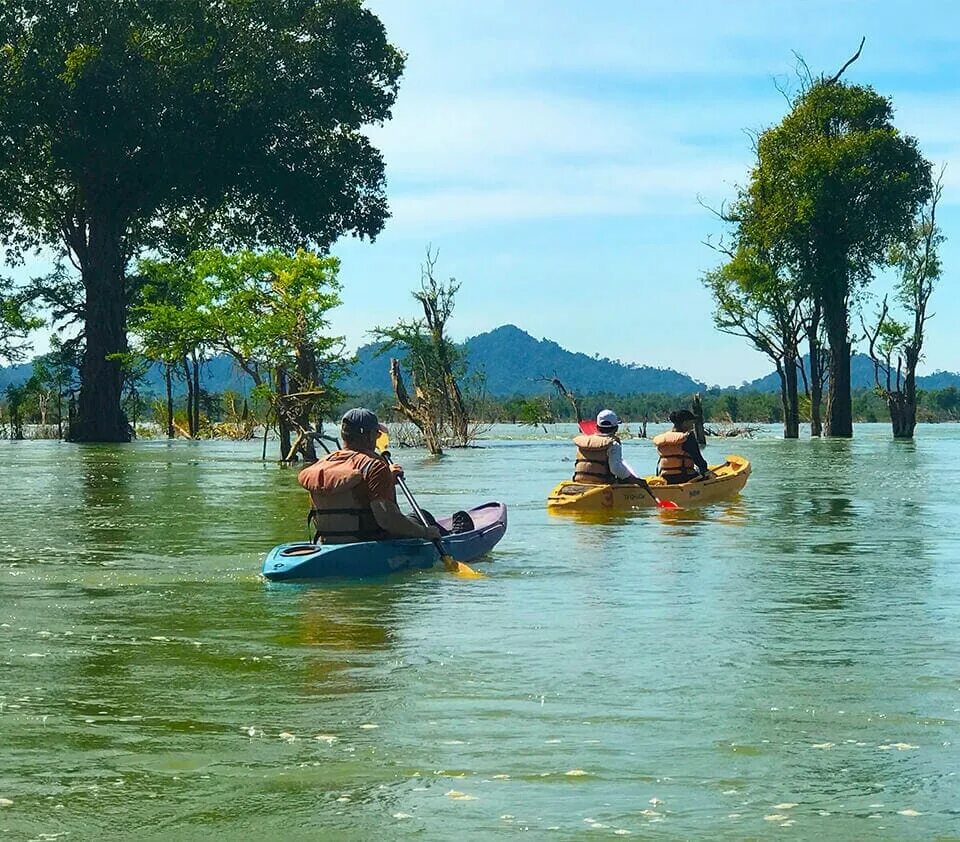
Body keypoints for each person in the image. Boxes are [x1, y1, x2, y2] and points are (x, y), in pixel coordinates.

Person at [297, 408, 442, 544]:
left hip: (328, 542)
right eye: (377, 433)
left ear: (343, 435)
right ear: (370, 435)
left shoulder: (322, 463)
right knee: (423, 516)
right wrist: (425, 532)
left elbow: (355, 491)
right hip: (367, 543)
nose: (378, 437)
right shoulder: (375, 466)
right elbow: (388, 520)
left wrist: (388, 479)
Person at [572, 409, 643, 484]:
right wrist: (635, 480)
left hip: (580, 482)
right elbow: (616, 469)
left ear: (597, 427)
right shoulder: (613, 444)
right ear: (616, 428)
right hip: (603, 484)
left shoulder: (584, 443)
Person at [652, 408, 712, 484]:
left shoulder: (664, 438)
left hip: (665, 477)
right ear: (685, 423)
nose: (692, 426)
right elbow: (698, 460)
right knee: (709, 476)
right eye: (691, 423)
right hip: (684, 477)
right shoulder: (687, 438)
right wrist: (706, 471)